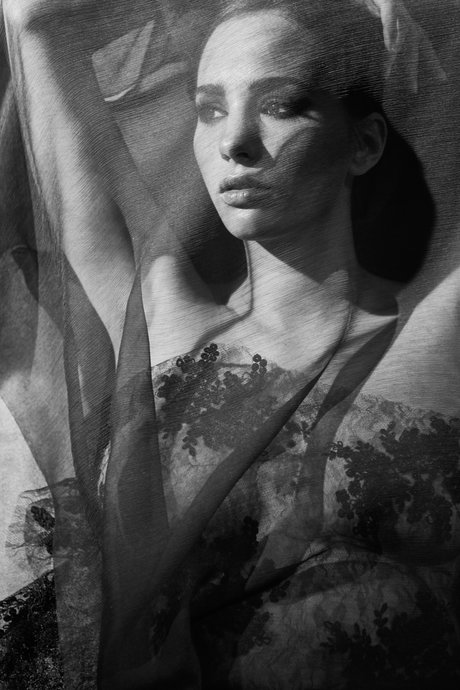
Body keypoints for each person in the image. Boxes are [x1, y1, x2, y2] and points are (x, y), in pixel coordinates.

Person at [2, 0, 458, 688]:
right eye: (210, 109)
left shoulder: (434, 339)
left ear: (364, 144)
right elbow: (32, 18)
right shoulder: (162, 323)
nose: (235, 142)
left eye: (281, 105)